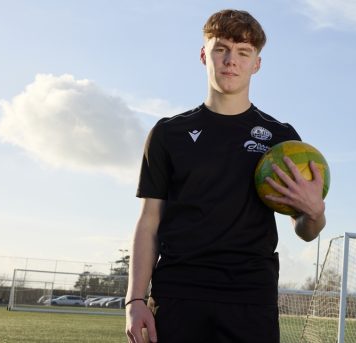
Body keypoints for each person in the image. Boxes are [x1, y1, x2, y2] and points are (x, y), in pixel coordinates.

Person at [125, 9, 326, 343]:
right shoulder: (168, 133)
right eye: (222, 49)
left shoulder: (282, 139)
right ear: (205, 55)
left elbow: (305, 231)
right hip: (179, 292)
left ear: (256, 63)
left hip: (249, 296)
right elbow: (149, 223)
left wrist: (315, 212)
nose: (231, 60)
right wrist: (134, 299)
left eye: (244, 52)